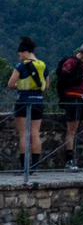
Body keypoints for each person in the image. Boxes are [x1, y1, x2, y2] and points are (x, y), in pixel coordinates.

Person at [57, 41, 83, 172]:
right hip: (72, 97)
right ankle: (69, 161)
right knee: (72, 129)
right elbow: (62, 80)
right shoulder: (71, 63)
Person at [9, 37, 48, 171]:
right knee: (35, 133)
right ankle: (35, 166)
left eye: (20, 54)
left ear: (25, 52)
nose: (19, 56)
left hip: (23, 100)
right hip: (38, 100)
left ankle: (24, 166)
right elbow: (47, 84)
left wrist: (20, 85)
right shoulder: (42, 65)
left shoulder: (21, 66)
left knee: (24, 134)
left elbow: (10, 84)